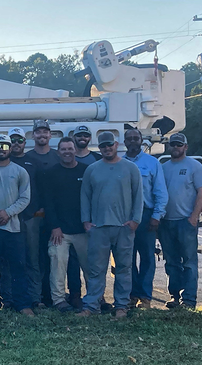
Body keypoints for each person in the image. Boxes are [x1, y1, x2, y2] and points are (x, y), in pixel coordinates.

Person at [77, 132, 143, 319]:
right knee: (96, 269)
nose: (107, 148)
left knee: (123, 268)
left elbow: (139, 195)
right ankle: (91, 305)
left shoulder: (130, 168)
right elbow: (85, 196)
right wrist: (86, 221)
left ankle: (121, 305)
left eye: (110, 145)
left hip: (124, 228)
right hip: (98, 228)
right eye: (103, 146)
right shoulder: (92, 169)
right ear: (99, 148)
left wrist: (135, 220)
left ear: (117, 144)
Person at [0, 127, 41, 309]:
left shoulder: (21, 171)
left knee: (19, 267)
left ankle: (23, 305)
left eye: (5, 145)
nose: (2, 148)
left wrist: (8, 213)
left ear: (9, 149)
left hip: (14, 227)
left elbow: (25, 198)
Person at [159, 133, 202, 309]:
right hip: (166, 222)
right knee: (171, 262)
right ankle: (175, 296)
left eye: (179, 145)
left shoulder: (195, 166)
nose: (176, 147)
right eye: (173, 144)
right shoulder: (163, 167)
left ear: (186, 147)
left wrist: (194, 216)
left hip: (185, 222)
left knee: (189, 262)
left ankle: (189, 299)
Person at [43, 137, 89, 313]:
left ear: (75, 150)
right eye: (63, 149)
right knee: (58, 264)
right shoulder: (51, 173)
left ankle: (95, 298)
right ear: (58, 152)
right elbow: (48, 202)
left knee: (90, 267)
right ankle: (59, 300)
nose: (67, 152)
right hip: (59, 231)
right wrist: (54, 226)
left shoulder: (86, 171)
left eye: (70, 148)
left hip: (83, 229)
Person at [123, 128, 168, 309]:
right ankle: (131, 295)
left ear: (141, 141)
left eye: (136, 138)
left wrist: (157, 216)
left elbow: (160, 192)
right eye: (130, 138)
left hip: (146, 215)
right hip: (125, 217)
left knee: (147, 257)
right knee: (127, 258)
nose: (133, 141)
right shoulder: (120, 162)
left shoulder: (152, 163)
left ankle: (145, 297)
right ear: (124, 142)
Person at [26, 119, 59, 307]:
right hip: (33, 217)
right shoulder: (27, 157)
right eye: (38, 132)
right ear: (33, 136)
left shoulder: (58, 156)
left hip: (55, 217)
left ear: (50, 135)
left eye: (45, 132)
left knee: (55, 257)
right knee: (35, 257)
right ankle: (36, 297)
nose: (42, 135)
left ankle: (55, 296)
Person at [68, 125, 101, 307]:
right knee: (72, 262)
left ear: (90, 138)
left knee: (93, 260)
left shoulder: (97, 159)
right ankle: (74, 295)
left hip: (94, 218)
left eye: (85, 135)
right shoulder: (67, 160)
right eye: (79, 135)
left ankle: (96, 295)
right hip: (72, 218)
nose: (82, 137)